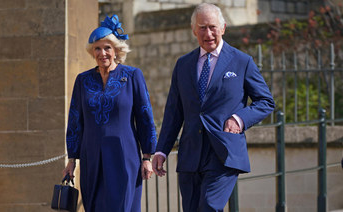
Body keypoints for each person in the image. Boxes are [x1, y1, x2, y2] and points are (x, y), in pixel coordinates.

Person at [152, 3, 275, 211]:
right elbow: (174, 112)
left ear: (223, 28)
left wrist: (239, 119)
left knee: (209, 206)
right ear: (193, 30)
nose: (207, 33)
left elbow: (266, 102)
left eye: (212, 27)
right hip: (190, 154)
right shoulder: (183, 64)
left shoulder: (242, 62)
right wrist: (161, 150)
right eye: (202, 27)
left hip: (223, 153)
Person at [62, 14, 157, 212]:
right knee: (95, 206)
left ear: (116, 50)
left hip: (124, 155)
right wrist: (72, 159)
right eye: (97, 48)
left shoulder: (132, 75)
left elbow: (145, 117)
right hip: (92, 157)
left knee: (122, 205)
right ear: (92, 52)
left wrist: (147, 157)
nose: (102, 53)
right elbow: (74, 121)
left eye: (107, 48)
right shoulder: (82, 80)